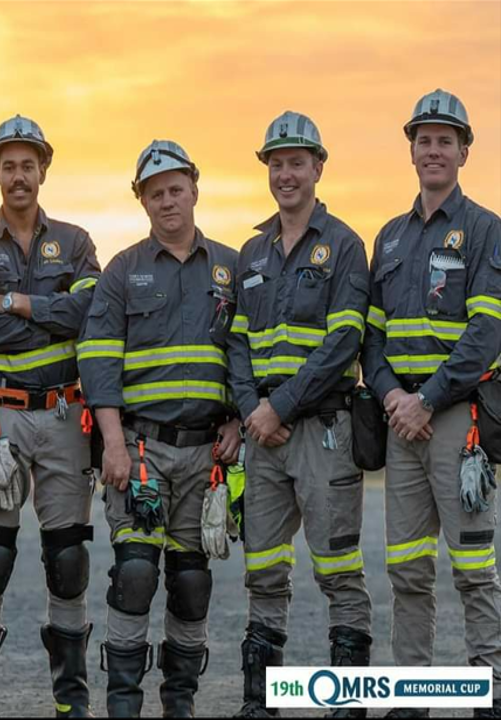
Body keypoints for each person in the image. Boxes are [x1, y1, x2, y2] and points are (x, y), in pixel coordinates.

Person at [78, 140, 241, 717]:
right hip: (140, 450)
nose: (167, 201)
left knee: (192, 583)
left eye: (176, 189)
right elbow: (97, 359)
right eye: (155, 193)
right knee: (136, 573)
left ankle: (180, 704)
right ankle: (123, 706)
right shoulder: (123, 271)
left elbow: (243, 356)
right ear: (142, 201)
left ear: (195, 190)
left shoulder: (230, 268)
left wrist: (238, 419)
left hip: (205, 455)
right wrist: (113, 444)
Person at [0, 114, 101, 718]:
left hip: (65, 413)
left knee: (68, 560)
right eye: (9, 165)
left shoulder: (76, 241)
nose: (19, 175)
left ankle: (71, 699)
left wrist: (16, 302)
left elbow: (89, 313)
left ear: (44, 170)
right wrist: (52, 313)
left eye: (29, 165)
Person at [227, 111, 373, 718]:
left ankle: (348, 704)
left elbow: (344, 342)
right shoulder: (251, 252)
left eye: (296, 163)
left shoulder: (343, 245)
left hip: (323, 430)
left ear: (318, 168)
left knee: (338, 569)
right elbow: (236, 344)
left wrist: (279, 407)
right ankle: (260, 703)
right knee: (263, 570)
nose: (286, 174)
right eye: (276, 164)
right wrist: (252, 410)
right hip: (264, 434)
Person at [362, 89, 501, 719]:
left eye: (447, 140)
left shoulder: (485, 230)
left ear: (464, 152)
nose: (434, 150)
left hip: (455, 421)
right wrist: (393, 394)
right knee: (408, 571)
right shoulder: (389, 238)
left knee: (473, 568)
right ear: (412, 151)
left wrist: (426, 400)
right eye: (425, 140)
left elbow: (487, 333)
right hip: (402, 423)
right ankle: (412, 696)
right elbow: (371, 337)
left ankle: (490, 692)